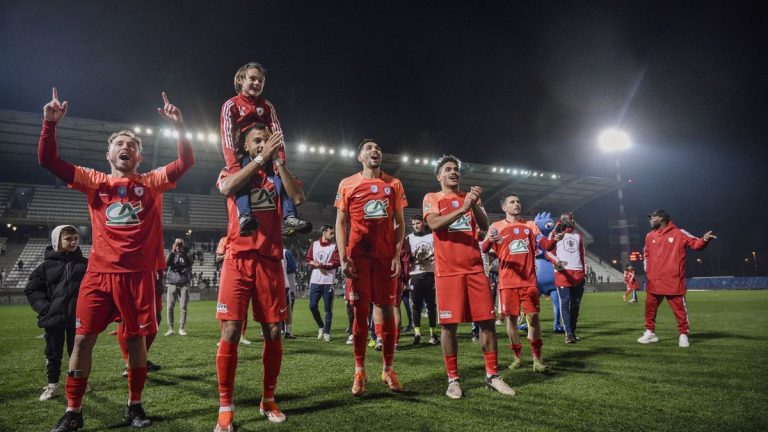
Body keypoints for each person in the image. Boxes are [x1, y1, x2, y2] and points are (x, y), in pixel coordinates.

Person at [39, 88, 194, 431]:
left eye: (132, 146)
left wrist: (180, 126)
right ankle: (73, 411)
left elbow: (186, 163)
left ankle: (134, 406)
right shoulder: (94, 182)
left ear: (139, 157)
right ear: (108, 153)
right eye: (120, 144)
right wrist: (49, 125)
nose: (126, 148)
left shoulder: (151, 182)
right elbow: (50, 162)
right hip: (99, 275)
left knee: (137, 341)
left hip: (138, 276)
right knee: (82, 340)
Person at [214, 122, 305, 430]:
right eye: (257, 141)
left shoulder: (277, 177)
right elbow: (227, 188)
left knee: (275, 332)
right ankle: (226, 406)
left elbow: (299, 198)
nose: (262, 144)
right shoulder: (235, 169)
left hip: (269, 261)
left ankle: (268, 399)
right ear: (246, 146)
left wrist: (277, 162)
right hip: (238, 259)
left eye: (267, 140)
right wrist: (258, 159)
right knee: (231, 333)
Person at [423, 155, 515, 399]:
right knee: (449, 326)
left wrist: (472, 203)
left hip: (475, 269)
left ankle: (492, 375)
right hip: (448, 272)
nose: (453, 173)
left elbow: (485, 226)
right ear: (439, 176)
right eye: (448, 169)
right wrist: (462, 208)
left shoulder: (470, 199)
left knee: (486, 322)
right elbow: (434, 224)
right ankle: (453, 379)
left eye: (456, 170)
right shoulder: (432, 198)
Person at [335, 139, 407, 396]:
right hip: (359, 259)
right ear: (359, 157)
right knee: (360, 312)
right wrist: (344, 258)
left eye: (378, 148)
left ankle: (388, 369)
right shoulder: (347, 184)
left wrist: (397, 255)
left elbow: (400, 223)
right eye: (368, 148)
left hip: (385, 258)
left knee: (387, 310)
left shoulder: (394, 184)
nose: (375, 150)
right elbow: (340, 224)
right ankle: (359, 370)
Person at [220, 61, 310, 237]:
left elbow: (278, 134)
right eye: (252, 79)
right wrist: (233, 166)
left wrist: (280, 161)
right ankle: (245, 216)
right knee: (243, 179)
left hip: (267, 153)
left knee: (279, 176)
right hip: (243, 155)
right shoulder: (231, 105)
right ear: (240, 80)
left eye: (260, 81)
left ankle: (290, 216)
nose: (257, 83)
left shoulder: (267, 106)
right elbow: (227, 138)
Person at [482, 194, 561, 373]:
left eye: (518, 201)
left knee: (533, 317)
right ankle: (517, 356)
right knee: (511, 320)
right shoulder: (496, 226)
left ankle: (537, 358)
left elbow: (546, 245)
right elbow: (485, 248)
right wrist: (491, 239)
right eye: (512, 202)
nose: (517, 204)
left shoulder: (530, 226)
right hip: (507, 282)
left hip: (529, 281)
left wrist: (555, 238)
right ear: (504, 207)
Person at [24, 225, 88, 401]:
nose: (73, 242)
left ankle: (79, 382)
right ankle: (52, 385)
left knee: (78, 352)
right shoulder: (45, 267)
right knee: (53, 352)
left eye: (75, 238)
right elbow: (32, 290)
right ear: (57, 241)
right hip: (54, 318)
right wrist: (46, 309)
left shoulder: (86, 264)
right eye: (68, 239)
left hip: (79, 318)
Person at [637, 209, 715, 348]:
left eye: (652, 217)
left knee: (679, 310)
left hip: (673, 281)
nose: (650, 220)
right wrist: (649, 272)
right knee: (650, 308)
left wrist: (704, 239)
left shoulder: (679, 233)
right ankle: (650, 332)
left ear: (661, 219)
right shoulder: (649, 236)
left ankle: (683, 334)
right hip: (654, 281)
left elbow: (696, 245)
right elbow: (646, 254)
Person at [546, 212, 587, 344]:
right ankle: (568, 333)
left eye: (574, 219)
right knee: (565, 302)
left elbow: (582, 255)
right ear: (563, 220)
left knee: (575, 305)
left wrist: (584, 272)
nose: (573, 221)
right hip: (562, 273)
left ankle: (572, 332)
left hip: (578, 273)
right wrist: (557, 262)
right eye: (571, 219)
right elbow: (548, 252)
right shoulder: (555, 233)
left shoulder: (578, 236)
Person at [405, 214, 438, 345]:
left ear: (423, 223)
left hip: (430, 274)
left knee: (431, 305)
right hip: (415, 275)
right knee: (416, 306)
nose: (415, 226)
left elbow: (438, 253)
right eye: (413, 224)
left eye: (418, 223)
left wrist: (430, 257)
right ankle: (417, 333)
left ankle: (433, 333)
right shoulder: (409, 238)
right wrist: (414, 257)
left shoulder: (432, 236)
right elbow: (406, 257)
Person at [306, 224, 341, 341]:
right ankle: (321, 326)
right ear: (324, 232)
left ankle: (327, 333)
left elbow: (335, 263)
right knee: (312, 305)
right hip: (315, 281)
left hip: (328, 281)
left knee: (328, 309)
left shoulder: (335, 247)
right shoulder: (314, 245)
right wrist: (313, 263)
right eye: (331, 233)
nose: (333, 235)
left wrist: (320, 265)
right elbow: (308, 259)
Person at [165, 238, 193, 336]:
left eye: (180, 244)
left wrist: (182, 251)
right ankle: (170, 329)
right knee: (169, 307)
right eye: (177, 243)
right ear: (174, 244)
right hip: (172, 282)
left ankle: (181, 328)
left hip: (184, 283)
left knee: (183, 307)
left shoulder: (186, 253)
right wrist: (173, 251)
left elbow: (190, 263)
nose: (178, 245)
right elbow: (166, 263)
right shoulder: (171, 253)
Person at [282, 247, 297, 339]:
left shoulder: (285, 252)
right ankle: (287, 331)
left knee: (286, 308)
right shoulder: (285, 252)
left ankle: (286, 330)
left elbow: (292, 268)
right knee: (287, 307)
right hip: (284, 284)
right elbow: (292, 268)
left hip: (283, 284)